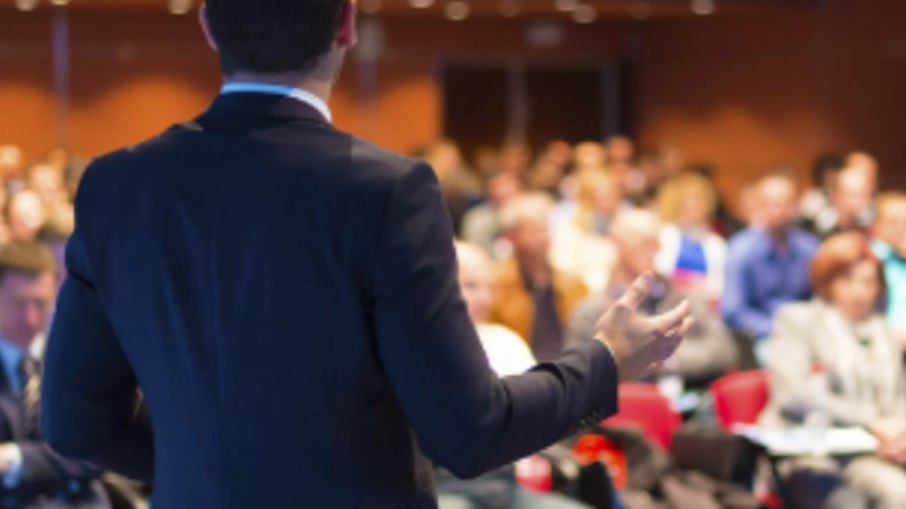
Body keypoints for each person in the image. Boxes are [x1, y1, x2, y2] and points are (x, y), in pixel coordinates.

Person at [40, 2, 692, 507]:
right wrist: (603, 364)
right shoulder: (385, 192)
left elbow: (72, 424)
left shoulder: (117, 186)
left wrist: (210, 457)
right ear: (347, 23)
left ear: (208, 27)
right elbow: (469, 432)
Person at [436, 242, 591, 509]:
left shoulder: (505, 340)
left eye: (490, 287)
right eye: (471, 286)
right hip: (446, 486)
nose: (484, 298)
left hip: (506, 484)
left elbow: (544, 416)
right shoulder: (421, 349)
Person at [760, 233, 906, 509]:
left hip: (869, 451)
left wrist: (899, 434)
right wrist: (873, 420)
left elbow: (900, 394)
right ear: (827, 283)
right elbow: (793, 395)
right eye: (847, 280)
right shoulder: (797, 320)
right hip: (808, 449)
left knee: (898, 491)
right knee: (846, 503)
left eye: (868, 282)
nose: (859, 292)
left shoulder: (884, 330)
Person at [568, 209, 736, 387]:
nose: (655, 250)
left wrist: (664, 356)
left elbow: (724, 351)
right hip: (623, 407)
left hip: (688, 402)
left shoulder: (683, 298)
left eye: (657, 243)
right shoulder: (592, 309)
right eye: (644, 243)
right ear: (618, 243)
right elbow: (579, 373)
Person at [0, 241, 110, 508]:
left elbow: (97, 452)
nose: (30, 318)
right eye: (19, 303)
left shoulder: (76, 355)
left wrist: (17, 458)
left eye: (41, 303)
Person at [722, 170, 819, 366]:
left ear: (796, 206)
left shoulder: (810, 247)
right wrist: (774, 328)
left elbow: (821, 297)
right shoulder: (741, 249)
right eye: (770, 203)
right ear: (758, 206)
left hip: (806, 330)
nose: (778, 209)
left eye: (785, 203)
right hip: (763, 335)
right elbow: (733, 310)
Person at [491, 193, 589, 362]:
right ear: (512, 237)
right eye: (534, 230)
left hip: (568, 369)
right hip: (519, 371)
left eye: (546, 229)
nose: (544, 237)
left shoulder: (574, 284)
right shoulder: (495, 283)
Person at [655, 172, 727, 304]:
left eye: (700, 198)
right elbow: (659, 273)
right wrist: (687, 282)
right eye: (689, 198)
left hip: (705, 306)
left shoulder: (716, 243)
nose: (695, 204)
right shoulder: (664, 234)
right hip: (667, 302)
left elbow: (720, 286)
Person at [550, 170, 619, 293]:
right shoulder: (571, 233)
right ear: (587, 199)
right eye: (602, 197)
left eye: (612, 196)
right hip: (583, 296)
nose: (609, 202)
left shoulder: (622, 228)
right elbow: (563, 271)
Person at [871, 192, 906, 345]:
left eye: (905, 222)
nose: (900, 228)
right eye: (893, 222)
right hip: (881, 340)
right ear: (876, 226)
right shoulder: (868, 259)